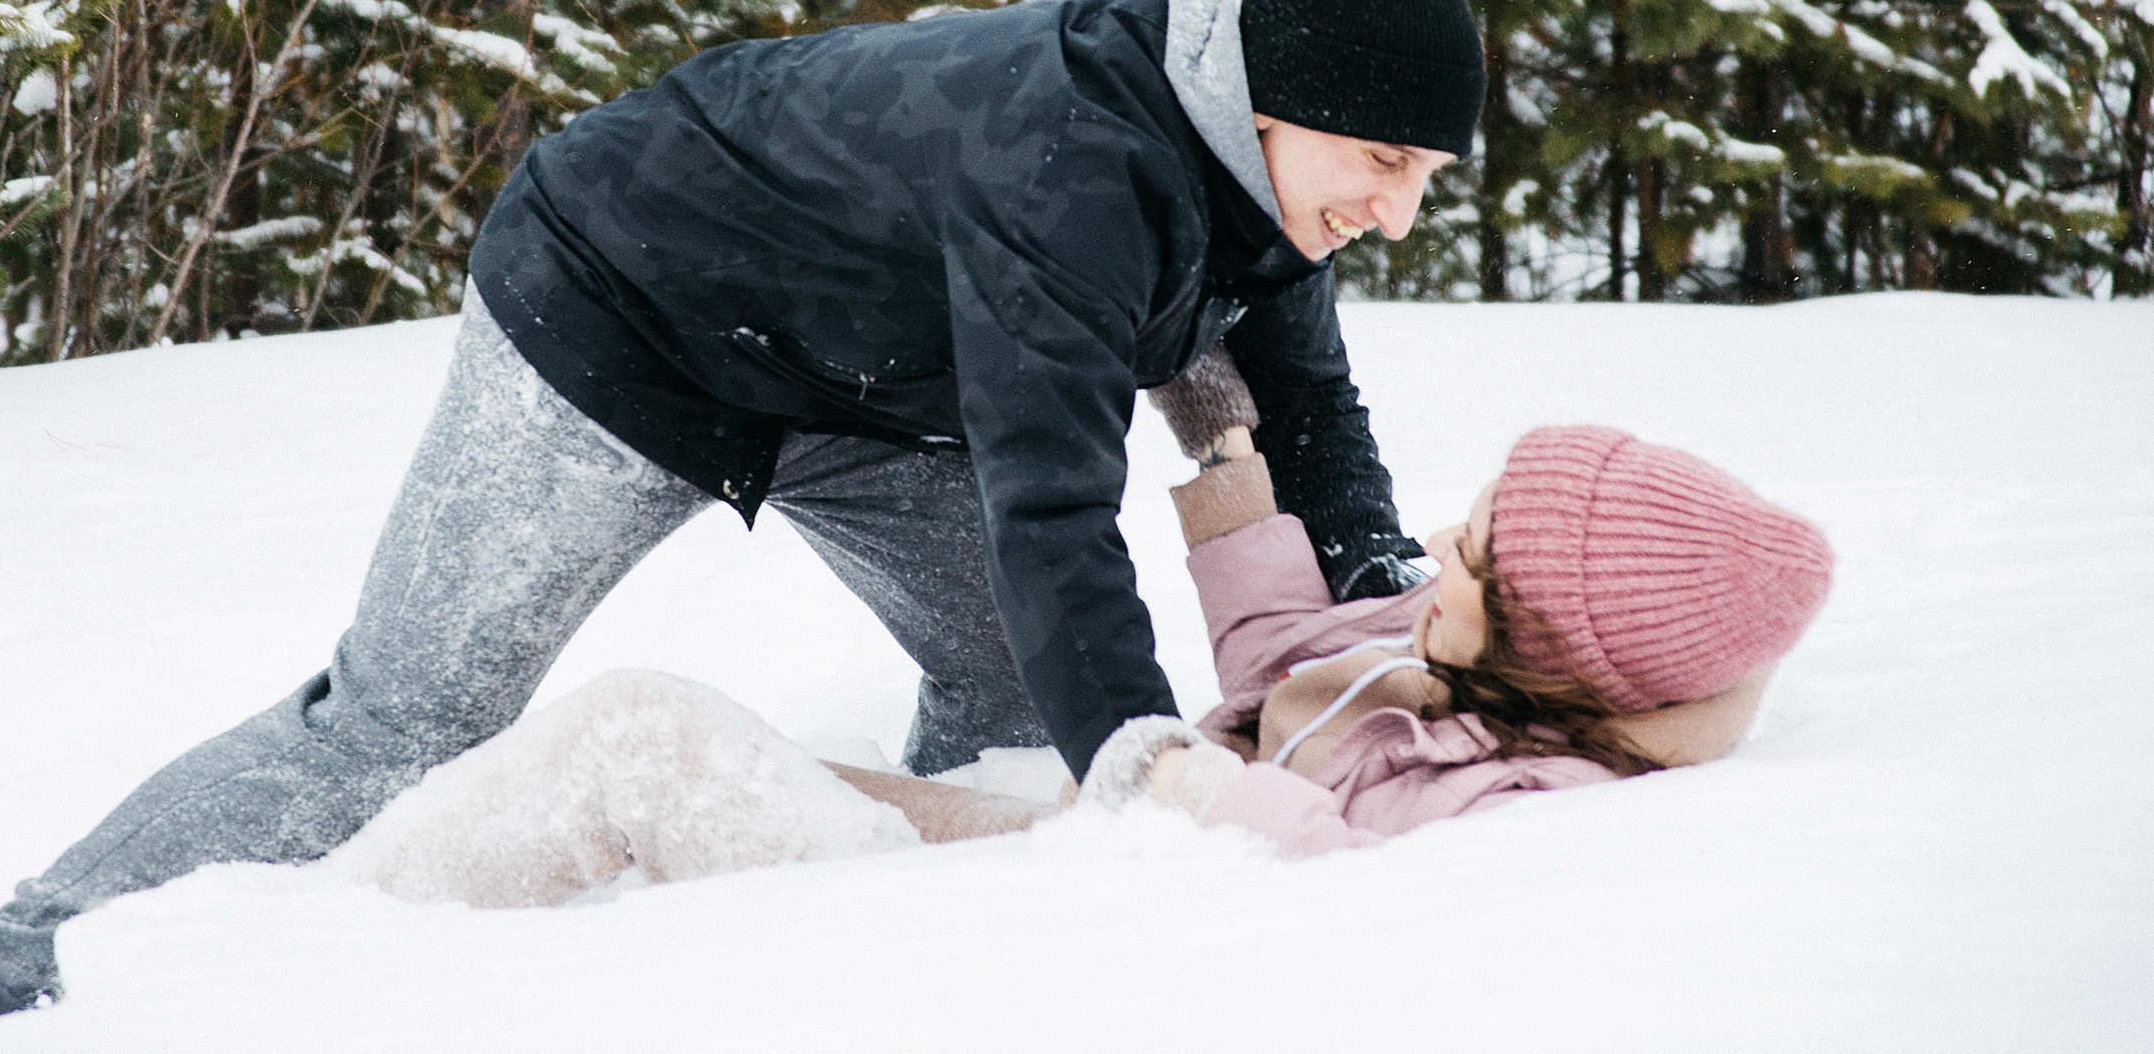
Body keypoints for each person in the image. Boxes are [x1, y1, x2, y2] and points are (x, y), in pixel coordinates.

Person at [0, 0, 1488, 1030]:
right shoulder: (1076, 159)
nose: (1396, 209)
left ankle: (942, 976)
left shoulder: (1262, 176)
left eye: (1426, 176)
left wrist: (1399, 623)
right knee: (402, 714)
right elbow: (1054, 496)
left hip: (876, 383)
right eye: (1382, 164)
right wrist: (1148, 766)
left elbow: (1315, 419)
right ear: (1275, 99)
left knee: (1003, 686)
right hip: (621, 304)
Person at [141, 413, 1838, 920]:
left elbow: (1329, 865)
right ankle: (344, 938)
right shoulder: (1467, 669)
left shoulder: (1529, 801)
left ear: (1566, 642)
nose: (1442, 554)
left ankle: (292, 964)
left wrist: (1176, 770)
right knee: (635, 753)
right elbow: (1285, 662)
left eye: (1484, 558)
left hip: (1053, 933)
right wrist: (1231, 468)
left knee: (639, 737)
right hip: (1062, 844)